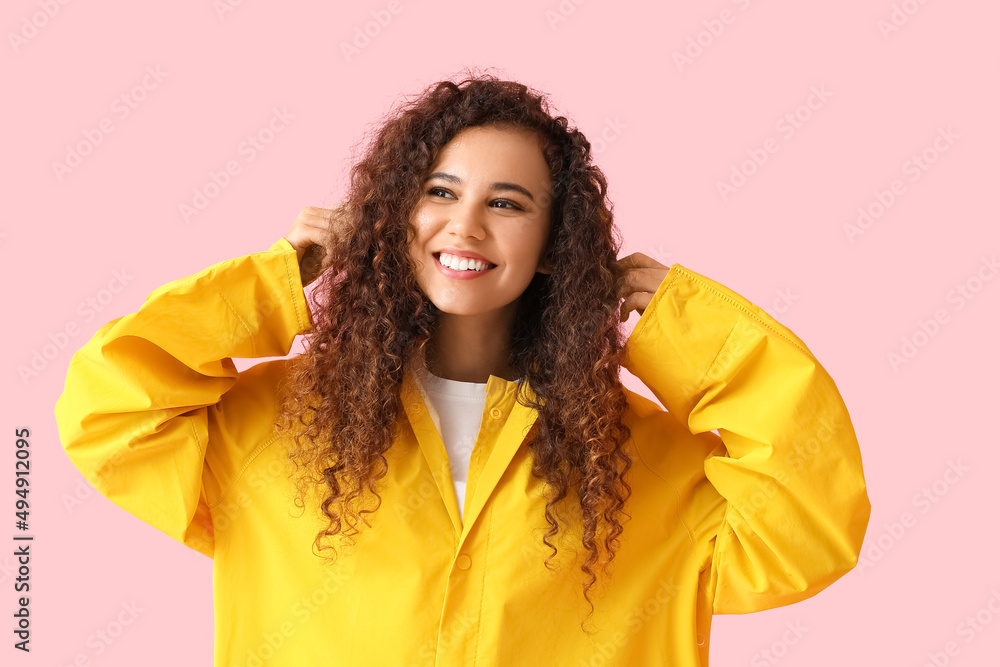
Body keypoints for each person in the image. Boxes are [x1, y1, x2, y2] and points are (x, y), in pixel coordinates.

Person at [54, 69, 871, 666]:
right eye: (438, 192)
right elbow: (108, 411)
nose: (465, 225)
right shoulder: (271, 422)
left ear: (556, 244)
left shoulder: (640, 460)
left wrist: (697, 334)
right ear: (392, 215)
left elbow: (811, 525)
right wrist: (276, 282)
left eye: (507, 202)